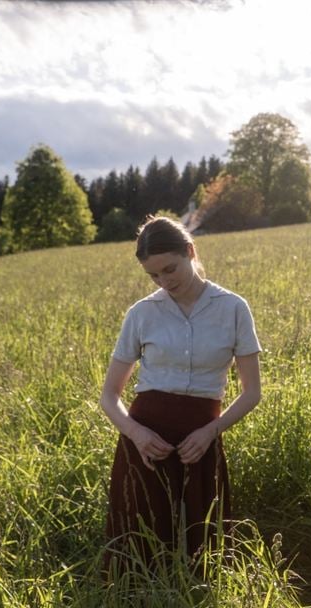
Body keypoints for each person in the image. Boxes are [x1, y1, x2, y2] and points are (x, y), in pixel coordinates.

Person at [100, 216, 261, 571]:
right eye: (153, 275)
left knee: (201, 552)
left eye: (169, 269)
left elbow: (252, 393)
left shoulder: (233, 308)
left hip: (199, 442)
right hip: (145, 445)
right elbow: (109, 396)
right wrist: (138, 435)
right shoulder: (141, 314)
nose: (163, 281)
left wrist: (209, 433)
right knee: (138, 552)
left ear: (190, 251)